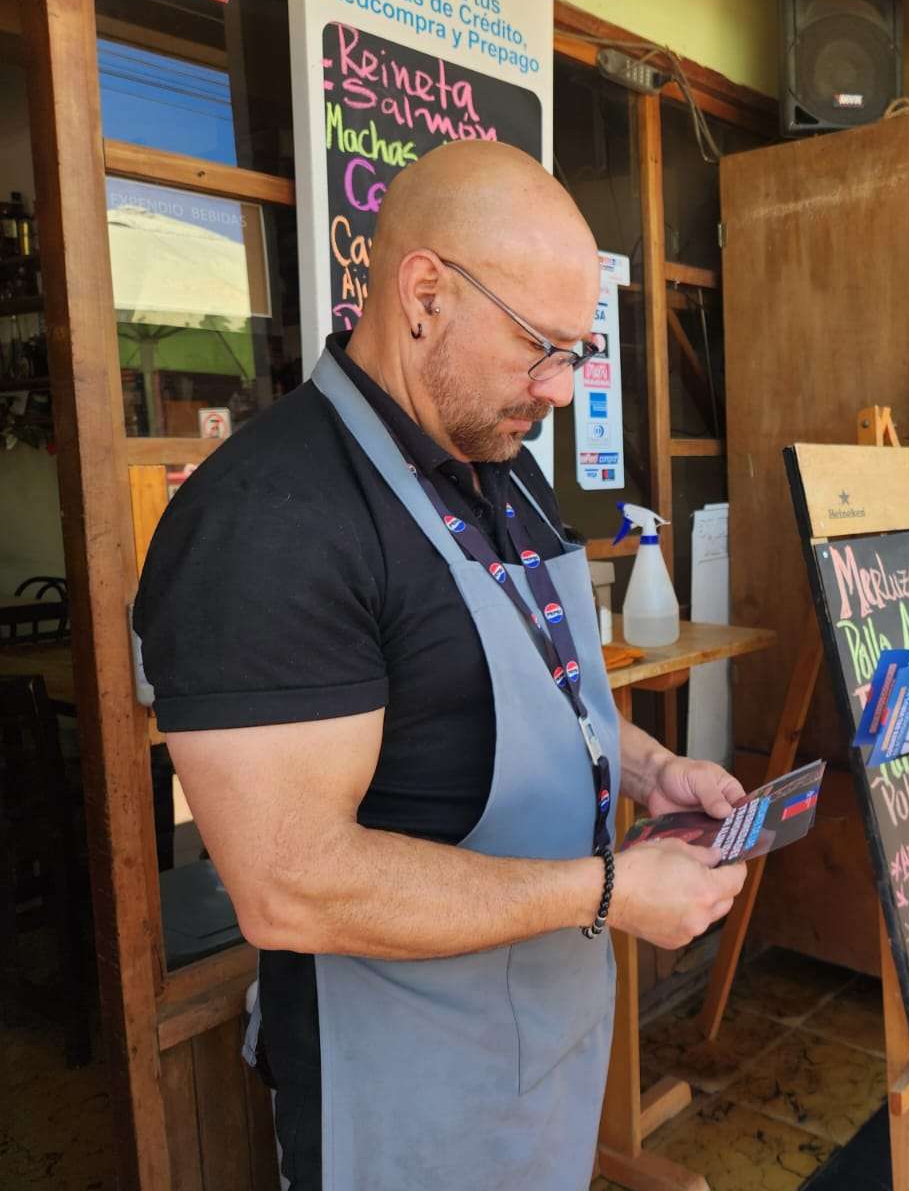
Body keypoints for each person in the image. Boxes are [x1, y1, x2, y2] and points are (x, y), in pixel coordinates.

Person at [133, 141, 749, 1190]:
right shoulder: (270, 518)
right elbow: (292, 887)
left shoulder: (499, 464)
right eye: (540, 349)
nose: (559, 388)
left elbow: (540, 684)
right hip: (402, 1084)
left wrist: (649, 773)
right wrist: (606, 889)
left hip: (541, 1038)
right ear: (424, 295)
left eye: (577, 352)